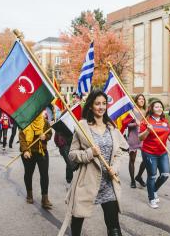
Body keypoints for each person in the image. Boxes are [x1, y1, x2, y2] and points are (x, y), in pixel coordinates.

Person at [59, 90, 129, 236]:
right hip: (87, 182)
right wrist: (90, 153)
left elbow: (120, 151)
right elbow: (72, 154)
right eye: (97, 104)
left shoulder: (111, 127)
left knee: (114, 227)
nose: (101, 107)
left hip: (108, 184)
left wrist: (115, 168)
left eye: (104, 103)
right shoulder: (82, 127)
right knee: (77, 222)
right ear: (90, 106)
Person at [139, 99, 170, 209]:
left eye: (161, 106)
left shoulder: (165, 121)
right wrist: (147, 131)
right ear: (151, 109)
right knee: (152, 176)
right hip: (149, 153)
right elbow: (140, 138)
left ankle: (153, 189)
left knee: (165, 174)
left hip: (162, 152)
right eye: (156, 107)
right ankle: (151, 198)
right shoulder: (146, 121)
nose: (160, 108)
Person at [19, 112, 53, 209]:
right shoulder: (25, 122)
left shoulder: (45, 122)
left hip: (42, 152)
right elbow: (21, 138)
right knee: (28, 173)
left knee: (44, 175)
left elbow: (50, 133)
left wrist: (45, 137)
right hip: (28, 153)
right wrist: (25, 150)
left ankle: (45, 199)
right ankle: (29, 194)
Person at [54, 95, 81, 188]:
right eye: (73, 98)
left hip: (74, 142)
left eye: (76, 98)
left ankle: (71, 179)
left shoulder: (80, 114)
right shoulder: (64, 114)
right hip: (64, 143)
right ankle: (69, 181)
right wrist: (58, 143)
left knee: (72, 161)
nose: (75, 100)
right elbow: (58, 128)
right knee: (70, 163)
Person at [126, 94, 147, 188]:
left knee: (146, 159)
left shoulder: (146, 112)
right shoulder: (131, 111)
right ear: (136, 100)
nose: (142, 100)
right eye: (139, 99)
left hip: (143, 137)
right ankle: (132, 180)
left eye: (143, 99)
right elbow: (127, 124)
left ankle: (138, 176)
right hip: (133, 136)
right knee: (132, 159)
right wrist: (135, 123)